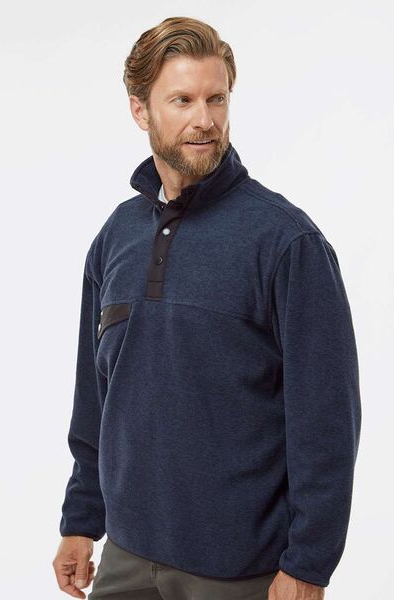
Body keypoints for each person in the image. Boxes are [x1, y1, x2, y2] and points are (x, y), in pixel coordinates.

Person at [52, 15, 361, 600]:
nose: (205, 119)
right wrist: (81, 521)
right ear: (141, 110)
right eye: (183, 100)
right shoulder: (116, 236)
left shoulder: (286, 242)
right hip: (125, 557)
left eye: (217, 99)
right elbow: (96, 397)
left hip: (240, 570)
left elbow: (327, 421)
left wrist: (310, 564)